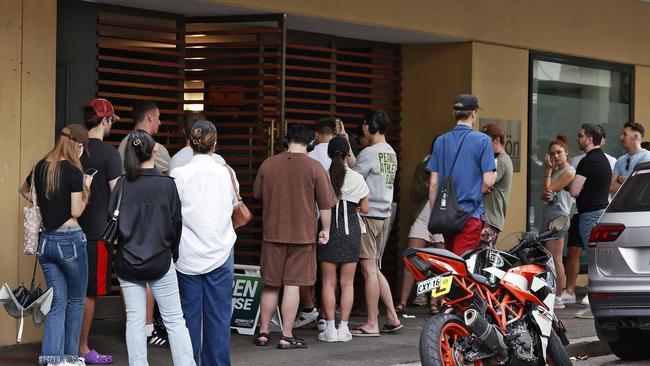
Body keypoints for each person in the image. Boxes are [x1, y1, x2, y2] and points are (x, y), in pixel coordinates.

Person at [111, 131, 194, 365]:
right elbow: (176, 224)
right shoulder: (167, 185)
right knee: (175, 320)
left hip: (127, 260)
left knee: (135, 320)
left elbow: (112, 220)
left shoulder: (122, 184)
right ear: (155, 152)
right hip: (160, 260)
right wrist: (173, 254)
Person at [253, 124, 336, 349]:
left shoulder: (268, 164)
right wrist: (325, 229)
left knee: (270, 284)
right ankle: (286, 335)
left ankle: (263, 332)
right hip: (302, 236)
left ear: (285, 141)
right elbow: (325, 205)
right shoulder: (315, 167)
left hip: (272, 234)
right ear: (310, 144)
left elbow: (257, 194)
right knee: (292, 285)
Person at [21, 124, 92, 366]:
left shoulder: (41, 166)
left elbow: (24, 190)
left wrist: (49, 204)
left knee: (57, 302)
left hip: (46, 242)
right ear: (77, 145)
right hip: (70, 241)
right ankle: (70, 358)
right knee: (76, 300)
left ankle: (52, 358)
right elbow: (76, 211)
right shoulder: (73, 172)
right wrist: (87, 188)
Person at [171, 121, 237, 365]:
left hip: (187, 254)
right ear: (215, 145)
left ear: (189, 144)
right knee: (218, 317)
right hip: (220, 250)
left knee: (187, 317)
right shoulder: (225, 173)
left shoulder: (178, 175)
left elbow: (172, 214)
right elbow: (233, 206)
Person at [117, 101, 171, 346]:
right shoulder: (156, 149)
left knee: (133, 314)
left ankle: (140, 327)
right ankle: (149, 327)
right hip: (153, 228)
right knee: (175, 317)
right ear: (149, 117)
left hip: (128, 228)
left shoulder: (122, 145)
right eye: (158, 118)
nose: (160, 122)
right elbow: (168, 192)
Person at [77, 99, 122, 364]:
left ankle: (65, 348)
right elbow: (117, 192)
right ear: (104, 120)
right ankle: (82, 348)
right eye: (111, 120)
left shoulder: (71, 149)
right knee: (89, 291)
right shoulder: (109, 153)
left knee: (71, 292)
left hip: (67, 230)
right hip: (97, 233)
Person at [351, 110, 403, 337]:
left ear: (372, 126)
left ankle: (372, 323)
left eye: (364, 125)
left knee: (368, 268)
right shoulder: (390, 152)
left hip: (368, 216)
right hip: (384, 216)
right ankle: (392, 316)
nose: (363, 129)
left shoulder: (369, 153)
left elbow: (352, 177)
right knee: (375, 267)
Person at [427, 94, 496, 255]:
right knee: (462, 267)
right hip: (470, 214)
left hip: (446, 215)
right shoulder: (483, 140)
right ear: (473, 113)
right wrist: (489, 178)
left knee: (451, 264)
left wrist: (434, 216)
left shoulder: (440, 141)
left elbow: (433, 183)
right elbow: (489, 180)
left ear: (454, 113)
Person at [317, 136, 370, 343]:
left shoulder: (324, 176)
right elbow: (365, 208)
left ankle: (329, 329)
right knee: (347, 283)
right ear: (348, 153)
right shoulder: (356, 178)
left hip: (328, 230)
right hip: (350, 231)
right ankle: (344, 329)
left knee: (328, 283)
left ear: (330, 154)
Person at [569, 123, 612, 319]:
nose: (578, 138)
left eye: (580, 135)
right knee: (600, 261)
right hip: (601, 213)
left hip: (589, 215)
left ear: (589, 139)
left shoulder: (587, 161)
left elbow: (574, 191)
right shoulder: (603, 159)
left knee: (595, 263)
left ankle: (596, 306)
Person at [396, 143, 445, 315]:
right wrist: (427, 186)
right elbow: (414, 193)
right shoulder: (422, 167)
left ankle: (434, 303)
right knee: (411, 259)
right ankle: (402, 302)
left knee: (442, 264)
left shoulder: (450, 166)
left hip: (440, 217)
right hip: (422, 216)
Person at [539, 135, 575, 310]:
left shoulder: (569, 171)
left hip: (559, 216)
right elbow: (543, 196)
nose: (556, 156)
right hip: (549, 213)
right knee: (548, 257)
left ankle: (559, 296)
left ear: (566, 152)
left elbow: (548, 190)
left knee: (555, 258)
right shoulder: (555, 171)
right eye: (552, 153)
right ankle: (554, 293)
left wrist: (548, 172)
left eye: (559, 152)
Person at [480, 123, 513, 247]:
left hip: (491, 220)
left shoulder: (501, 160)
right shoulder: (494, 159)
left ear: (497, 140)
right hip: (487, 218)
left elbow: (485, 184)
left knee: (482, 256)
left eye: (486, 141)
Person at [610, 122, 650, 194]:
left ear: (635, 137)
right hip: (622, 205)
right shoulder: (620, 160)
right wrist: (630, 183)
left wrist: (620, 180)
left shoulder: (647, 157)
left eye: (625, 134)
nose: (621, 137)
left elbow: (641, 188)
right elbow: (611, 185)